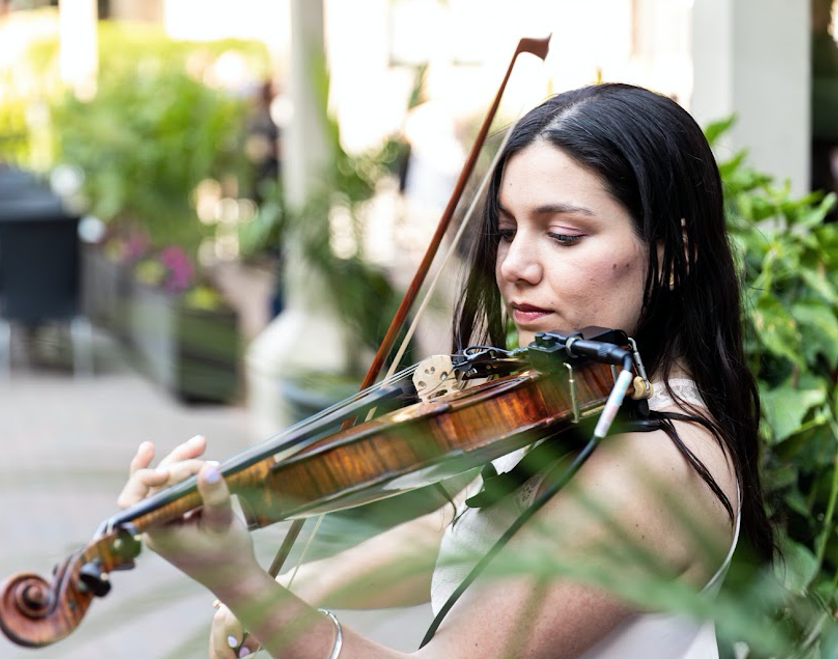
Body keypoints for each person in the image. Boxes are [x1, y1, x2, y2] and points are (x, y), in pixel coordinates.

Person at [117, 83, 776, 659]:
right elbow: (457, 524)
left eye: (565, 234)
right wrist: (294, 587)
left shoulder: (653, 466)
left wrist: (247, 589)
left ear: (674, 252)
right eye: (507, 229)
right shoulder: (596, 397)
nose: (515, 264)